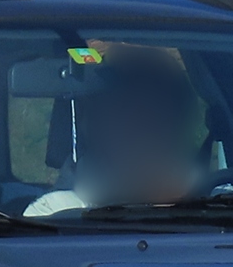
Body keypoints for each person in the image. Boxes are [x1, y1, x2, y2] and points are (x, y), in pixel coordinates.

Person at [24, 45, 203, 216]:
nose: (145, 136)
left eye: (160, 119)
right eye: (129, 117)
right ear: (91, 125)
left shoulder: (218, 204)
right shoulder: (53, 216)